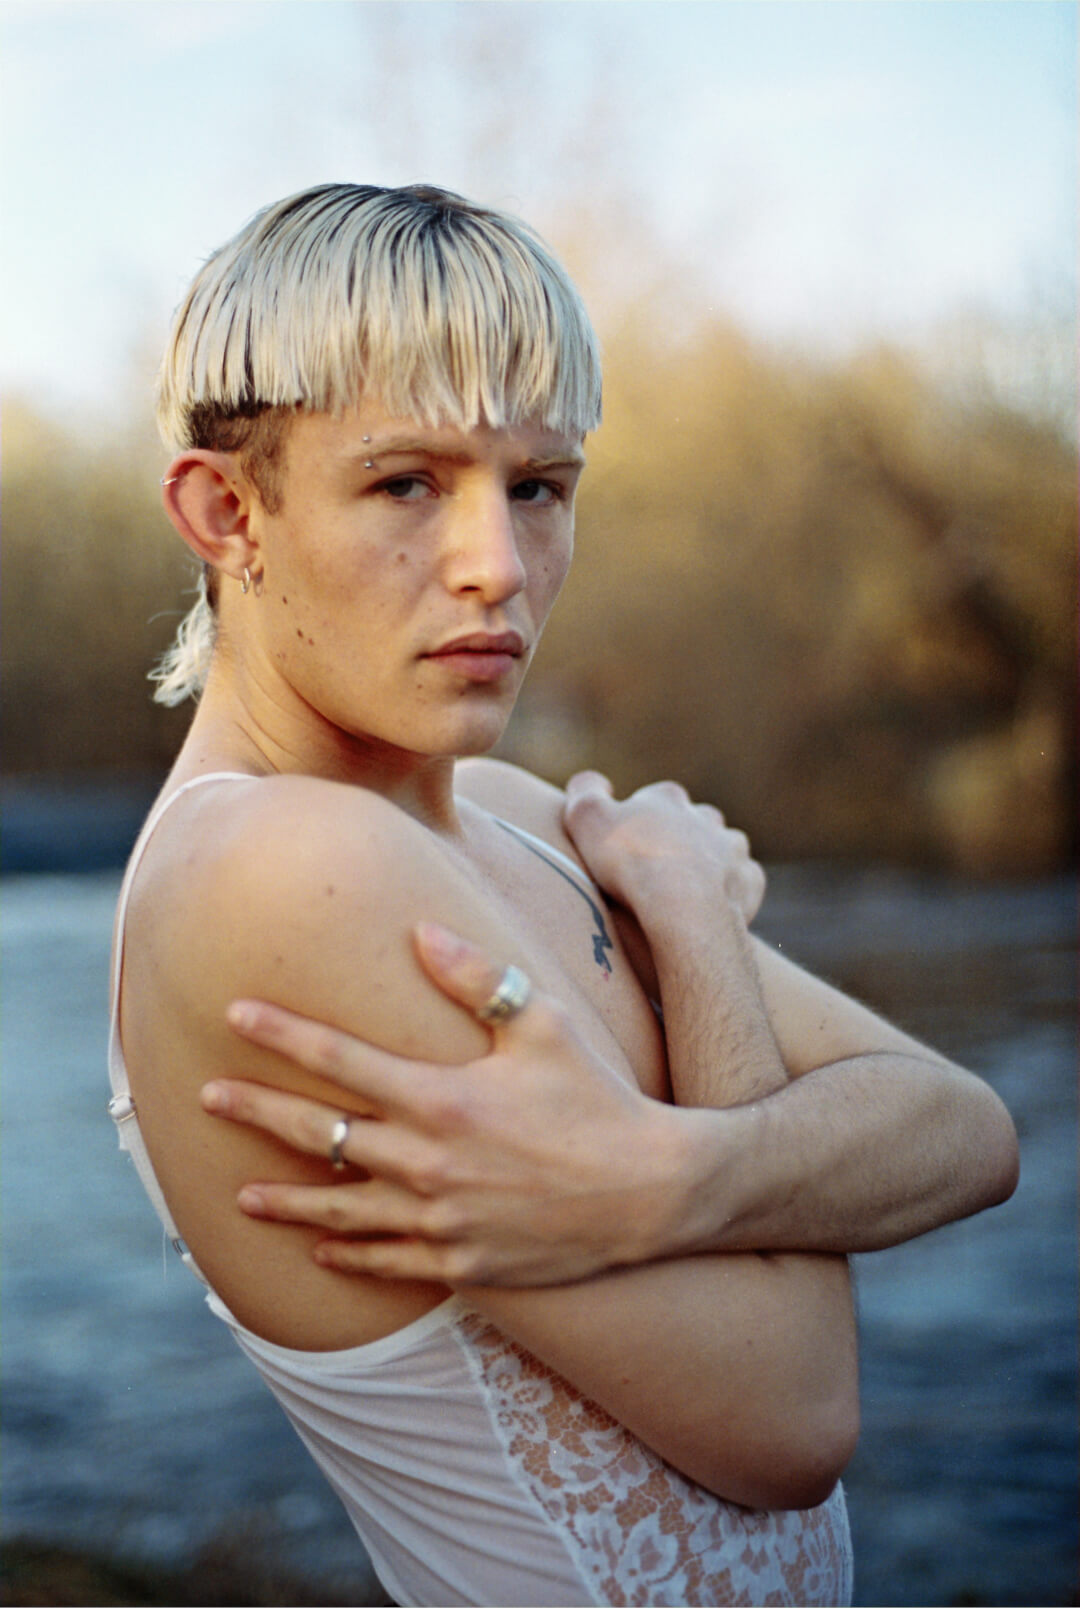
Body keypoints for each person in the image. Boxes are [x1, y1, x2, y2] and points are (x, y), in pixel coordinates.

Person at [108, 182, 1018, 1608]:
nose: (498, 569)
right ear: (227, 511)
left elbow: (964, 1131)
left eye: (537, 486)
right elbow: (792, 1421)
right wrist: (702, 936)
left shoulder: (521, 818)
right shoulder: (279, 868)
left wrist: (665, 1175)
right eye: (406, 482)